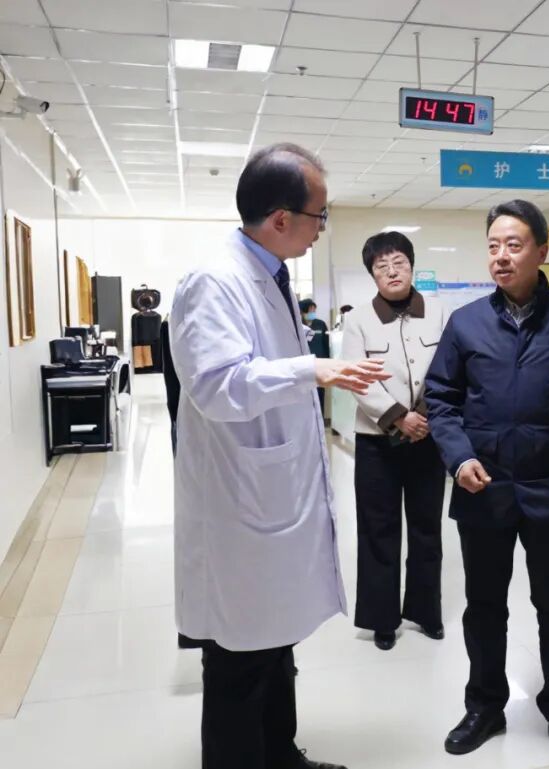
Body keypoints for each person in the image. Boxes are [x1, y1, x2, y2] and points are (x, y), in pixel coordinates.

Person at [170, 142, 387, 769]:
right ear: (282, 218)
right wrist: (312, 370)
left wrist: (308, 374)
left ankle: (280, 754)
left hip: (270, 494)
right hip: (238, 505)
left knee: (275, 645)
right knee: (241, 657)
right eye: (320, 215)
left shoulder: (270, 274)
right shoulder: (216, 280)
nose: (323, 227)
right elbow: (216, 386)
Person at [425, 199, 549, 767]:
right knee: (484, 605)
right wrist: (458, 459)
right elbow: (441, 399)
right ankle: (485, 706)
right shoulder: (466, 323)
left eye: (514, 245)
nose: (501, 257)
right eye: (493, 246)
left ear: (542, 251)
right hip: (483, 487)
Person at [341, 231, 449, 651]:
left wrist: (424, 416)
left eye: (399, 262)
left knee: (427, 528)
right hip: (377, 441)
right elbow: (357, 378)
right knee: (378, 529)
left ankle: (425, 611)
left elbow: (448, 368)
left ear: (411, 266)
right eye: (381, 266)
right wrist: (399, 418)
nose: (392, 271)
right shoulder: (358, 320)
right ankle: (382, 618)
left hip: (427, 437)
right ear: (372, 274)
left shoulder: (439, 312)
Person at [299, 298, 331, 414]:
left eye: (314, 310)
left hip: (320, 366)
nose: (313, 312)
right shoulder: (298, 326)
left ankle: (320, 418)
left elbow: (326, 344)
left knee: (320, 394)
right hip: (304, 365)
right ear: (303, 311)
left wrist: (327, 362)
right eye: (310, 310)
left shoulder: (320, 324)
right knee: (306, 396)